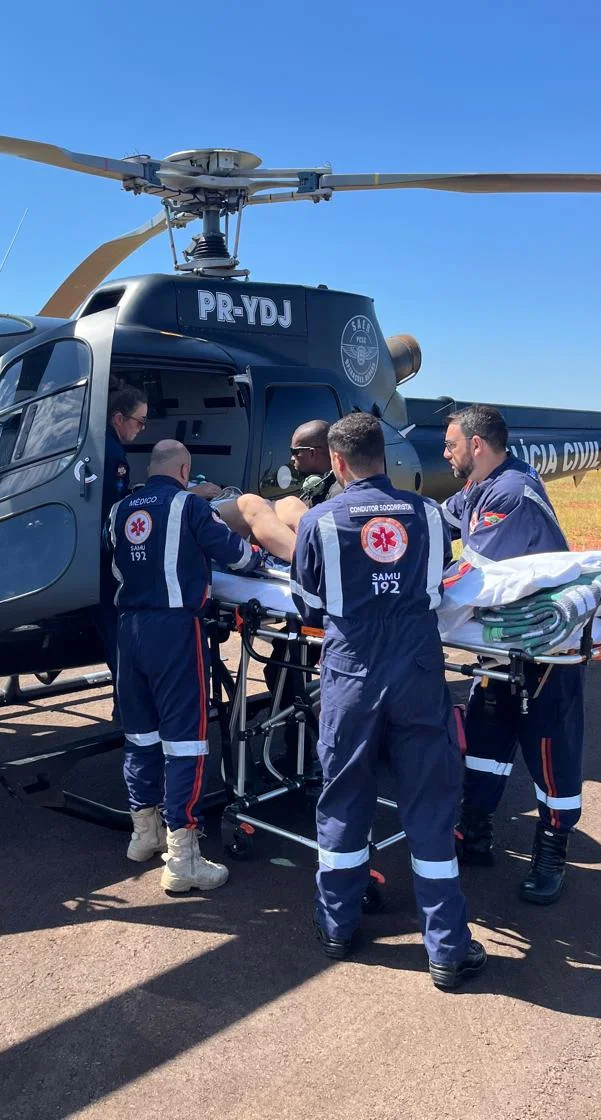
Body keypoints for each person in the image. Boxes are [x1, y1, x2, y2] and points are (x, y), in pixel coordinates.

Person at [291, 412, 486, 991]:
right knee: (429, 800)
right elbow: (443, 583)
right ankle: (448, 950)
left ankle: (337, 926)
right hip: (420, 670)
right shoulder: (429, 514)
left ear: (337, 462)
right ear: (384, 456)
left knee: (345, 794)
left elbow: (306, 605)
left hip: (352, 672)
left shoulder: (320, 521)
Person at [442, 404, 583, 905]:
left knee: (550, 754)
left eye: (451, 443)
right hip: (501, 647)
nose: (445, 451)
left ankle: (551, 852)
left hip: (542, 649)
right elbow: (447, 523)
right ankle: (474, 831)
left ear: (476, 446)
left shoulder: (511, 493)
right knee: (485, 737)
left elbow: (471, 578)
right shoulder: (481, 486)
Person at [107, 439, 262, 891]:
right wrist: (260, 558)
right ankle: (183, 859)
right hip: (174, 632)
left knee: (140, 735)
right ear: (184, 470)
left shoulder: (120, 511)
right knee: (185, 743)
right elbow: (236, 554)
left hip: (128, 631)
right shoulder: (189, 506)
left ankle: (144, 834)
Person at [214, 419, 343, 563]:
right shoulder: (317, 487)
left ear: (312, 453)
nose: (291, 458)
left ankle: (312, 562)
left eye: (295, 452)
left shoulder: (339, 493)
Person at [93, 380, 149, 682]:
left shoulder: (98, 442)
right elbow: (111, 513)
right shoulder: (114, 454)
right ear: (119, 418)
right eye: (139, 421)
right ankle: (127, 700)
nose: (141, 429)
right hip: (104, 557)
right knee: (115, 625)